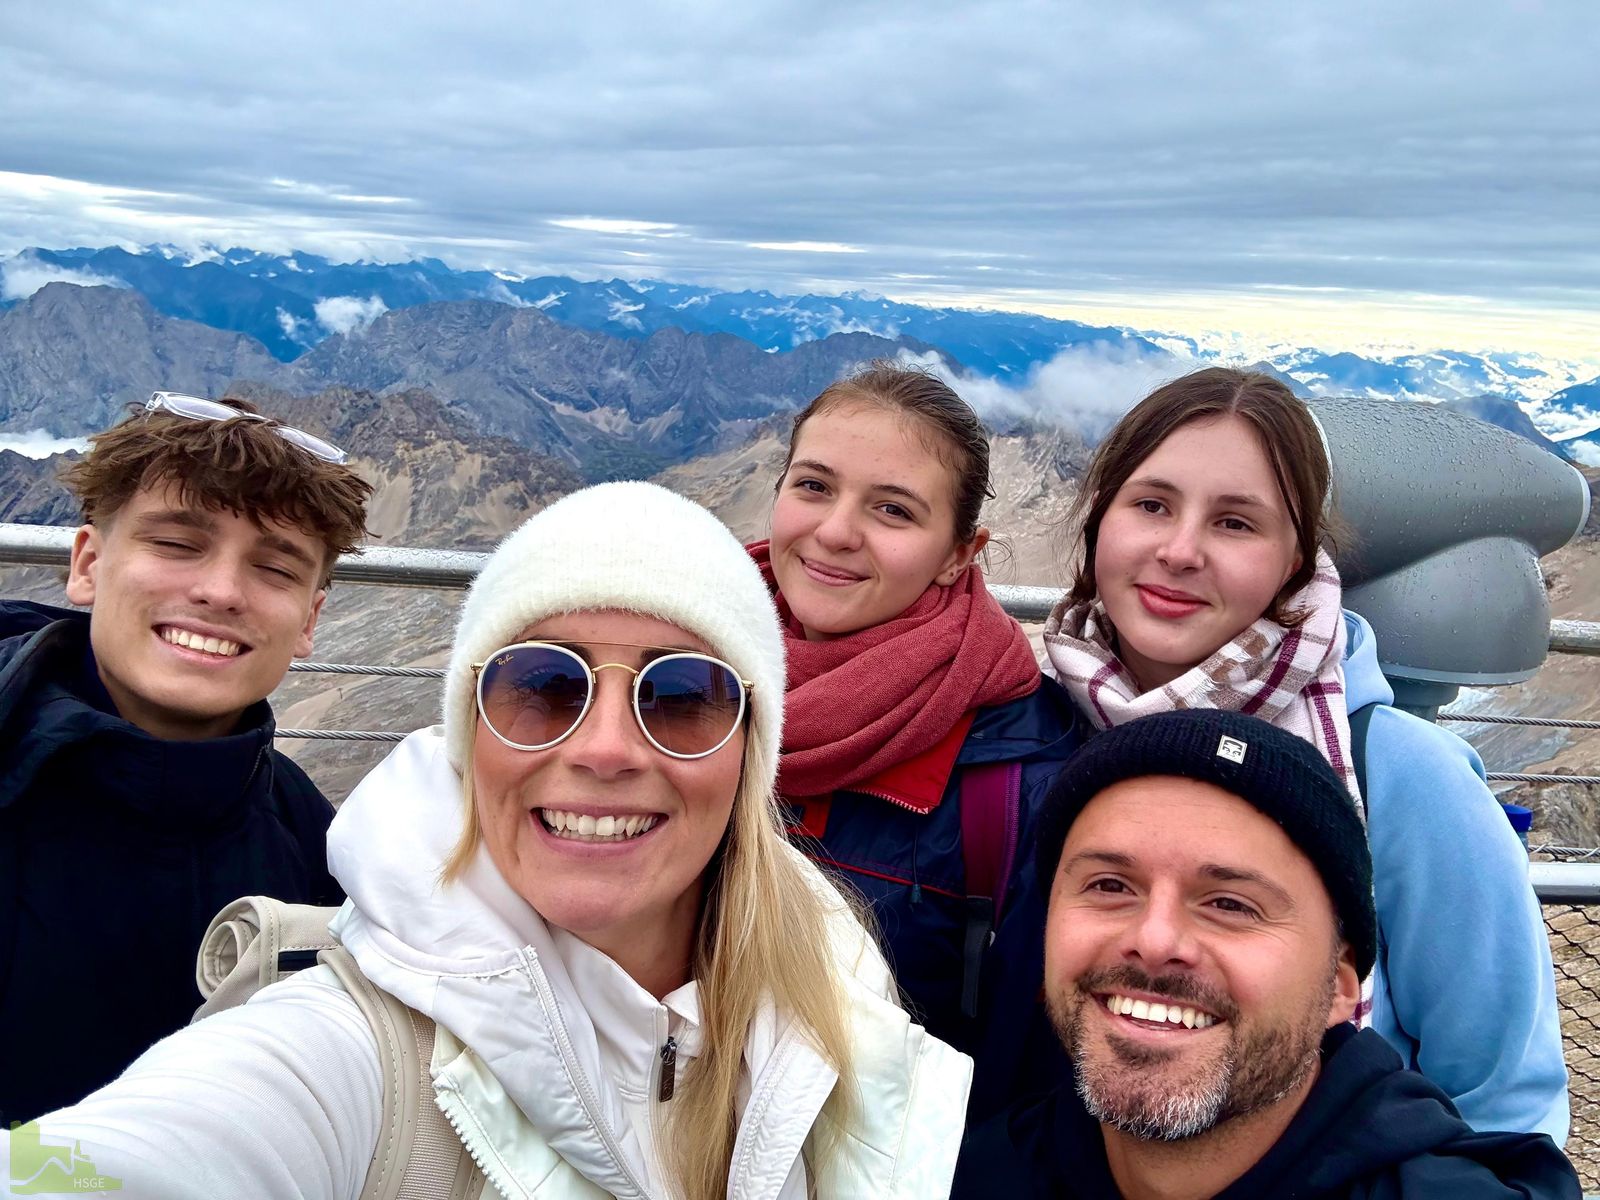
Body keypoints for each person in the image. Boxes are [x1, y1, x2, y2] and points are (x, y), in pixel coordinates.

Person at [6, 481, 972, 1200]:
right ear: (472, 738)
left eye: (681, 696)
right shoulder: (344, 1057)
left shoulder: (840, 993)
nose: (603, 749)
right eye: (542, 684)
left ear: (748, 752)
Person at [1042, 367, 1568, 1141]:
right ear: (1099, 525)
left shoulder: (1401, 774)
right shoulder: (1033, 728)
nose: (1180, 551)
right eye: (1152, 505)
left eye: (1236, 523)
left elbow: (1503, 1098)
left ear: (1297, 559)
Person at [954, 708, 1579, 1199]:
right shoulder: (959, 1179)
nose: (1154, 939)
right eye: (1110, 887)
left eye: (1230, 904)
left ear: (1340, 986)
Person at [0, 392, 371, 1126]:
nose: (220, 591)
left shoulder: (316, 842)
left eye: (275, 568)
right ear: (88, 565)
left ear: (309, 621)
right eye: (176, 544)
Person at [746, 363, 1083, 1117]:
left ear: (961, 552)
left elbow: (1022, 1076)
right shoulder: (677, 679)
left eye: (893, 511)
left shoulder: (1027, 780)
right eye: (813, 486)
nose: (834, 531)